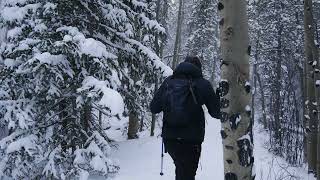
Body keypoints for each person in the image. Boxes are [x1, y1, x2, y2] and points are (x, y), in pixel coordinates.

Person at [150, 56, 221, 180]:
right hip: (191, 141)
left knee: (182, 170)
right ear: (198, 68)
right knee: (187, 174)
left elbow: (154, 108)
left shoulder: (168, 82)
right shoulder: (202, 83)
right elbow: (216, 113)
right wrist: (219, 96)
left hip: (170, 140)